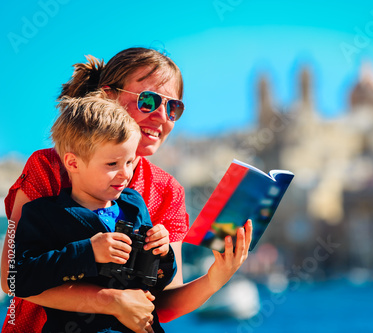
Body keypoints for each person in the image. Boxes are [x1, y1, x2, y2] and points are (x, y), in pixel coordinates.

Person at [1, 47, 252, 333]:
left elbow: (162, 301)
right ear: (109, 96)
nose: (162, 116)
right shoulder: (48, 166)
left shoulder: (168, 191)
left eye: (173, 107)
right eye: (148, 100)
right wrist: (111, 301)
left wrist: (215, 278)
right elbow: (12, 275)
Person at [15, 94, 177, 332]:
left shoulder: (134, 204)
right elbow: (18, 278)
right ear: (73, 163)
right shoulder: (43, 215)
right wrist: (87, 252)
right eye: (112, 164)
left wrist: (162, 252)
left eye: (130, 162)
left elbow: (158, 281)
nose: (125, 174)